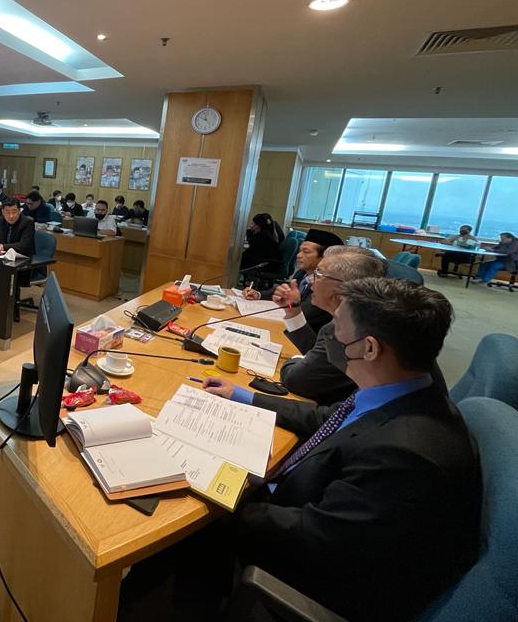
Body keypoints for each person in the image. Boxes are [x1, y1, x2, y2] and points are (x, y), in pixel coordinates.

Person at [200, 278, 480, 622]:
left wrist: (226, 499)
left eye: (337, 327)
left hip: (308, 576)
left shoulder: (405, 456)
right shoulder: (405, 389)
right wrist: (244, 395)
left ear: (370, 348)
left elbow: (314, 536)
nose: (328, 333)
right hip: (305, 506)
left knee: (186, 529)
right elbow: (325, 417)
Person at [273, 245, 450, 406]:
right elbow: (321, 356)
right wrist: (293, 310)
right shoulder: (362, 320)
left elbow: (300, 380)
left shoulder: (359, 330)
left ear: (342, 288)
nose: (310, 280)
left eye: (319, 274)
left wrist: (295, 360)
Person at [244, 227, 344, 333]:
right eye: (300, 251)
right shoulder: (302, 273)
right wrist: (259, 294)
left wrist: (289, 305)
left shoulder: (326, 285)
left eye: (306, 252)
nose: (299, 255)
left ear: (324, 258)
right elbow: (286, 290)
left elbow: (302, 313)